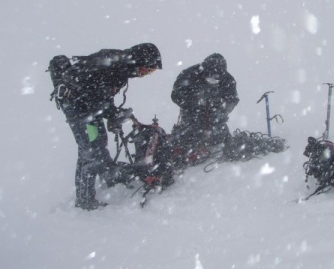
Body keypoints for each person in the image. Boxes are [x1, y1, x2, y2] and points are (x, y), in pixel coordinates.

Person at [50, 43, 162, 210]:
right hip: (79, 110)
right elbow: (97, 95)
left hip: (87, 110)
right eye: (147, 69)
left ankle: (105, 179)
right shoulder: (117, 66)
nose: (144, 74)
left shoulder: (119, 65)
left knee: (95, 144)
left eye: (150, 72)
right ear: (140, 61)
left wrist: (112, 115)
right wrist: (113, 115)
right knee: (91, 151)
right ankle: (85, 200)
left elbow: (101, 94)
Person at [170, 53, 239, 166]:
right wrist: (191, 105)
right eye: (210, 79)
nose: (212, 82)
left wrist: (224, 110)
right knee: (192, 128)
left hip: (215, 108)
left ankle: (220, 145)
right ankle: (191, 149)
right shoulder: (189, 75)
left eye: (216, 80)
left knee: (218, 126)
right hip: (191, 108)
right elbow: (176, 95)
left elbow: (233, 99)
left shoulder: (227, 79)